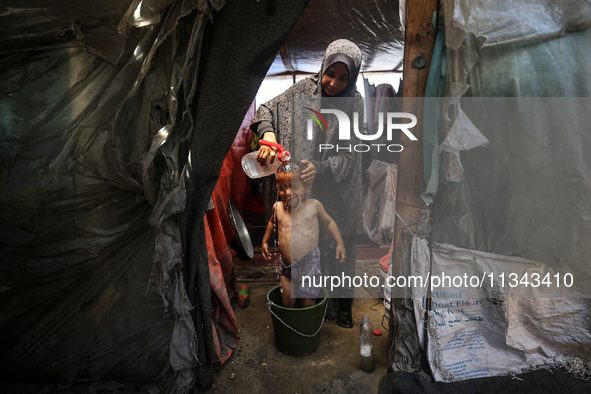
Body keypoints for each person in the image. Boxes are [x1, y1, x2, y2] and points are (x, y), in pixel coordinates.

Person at [251, 39, 363, 325]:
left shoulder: (355, 103)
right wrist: (270, 136)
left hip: (337, 185)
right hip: (303, 184)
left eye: (343, 78)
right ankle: (308, 304)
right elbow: (266, 109)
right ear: (323, 66)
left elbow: (352, 153)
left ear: (352, 78)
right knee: (305, 245)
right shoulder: (302, 90)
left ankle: (340, 308)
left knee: (336, 246)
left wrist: (322, 167)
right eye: (330, 73)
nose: (333, 82)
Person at [261, 161, 346, 308]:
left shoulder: (314, 206)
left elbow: (329, 222)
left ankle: (306, 324)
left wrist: (340, 243)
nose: (288, 192)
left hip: (309, 264)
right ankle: (291, 325)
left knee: (308, 302)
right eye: (283, 188)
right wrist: (265, 241)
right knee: (287, 301)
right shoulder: (278, 208)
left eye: (294, 186)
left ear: (307, 187)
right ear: (277, 188)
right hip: (287, 265)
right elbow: (271, 223)